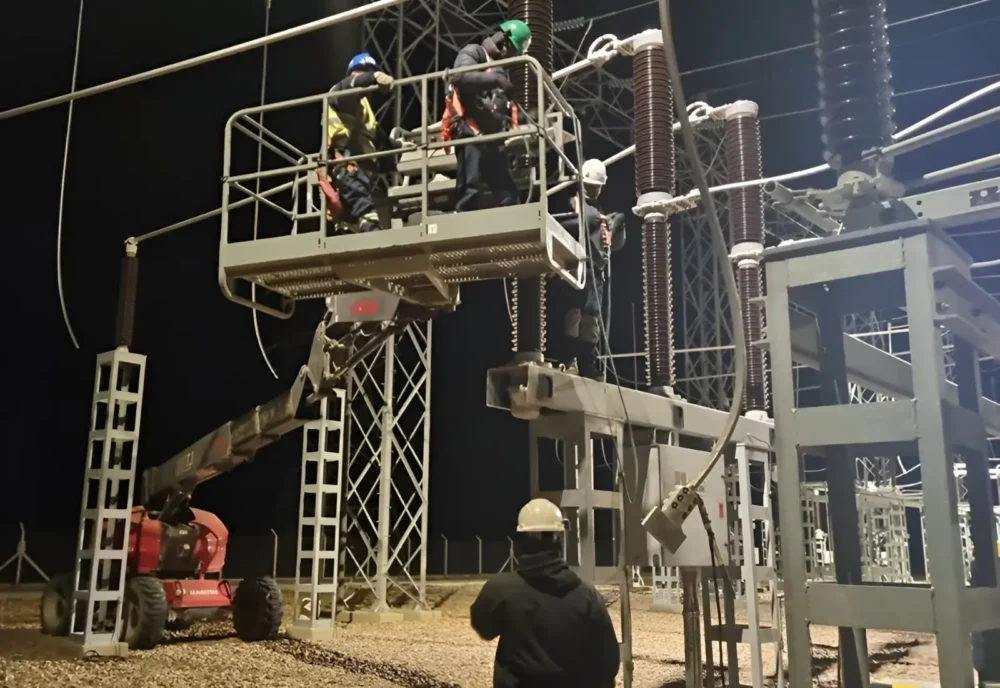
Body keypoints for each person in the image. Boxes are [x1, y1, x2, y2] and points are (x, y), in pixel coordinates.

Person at [470, 498, 621, 688]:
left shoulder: (501, 589)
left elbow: (483, 627)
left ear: (522, 538)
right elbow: (608, 662)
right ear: (559, 537)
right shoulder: (587, 596)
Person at [444, 20, 531, 212]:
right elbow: (460, 77)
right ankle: (465, 230)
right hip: (470, 132)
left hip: (492, 138)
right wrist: (496, 80)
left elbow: (502, 110)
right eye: (514, 51)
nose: (514, 58)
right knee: (469, 187)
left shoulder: (501, 72)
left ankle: (513, 225)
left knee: (508, 194)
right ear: (504, 42)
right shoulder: (474, 52)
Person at [557, 159, 626, 380]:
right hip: (577, 268)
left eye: (598, 186)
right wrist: (602, 222)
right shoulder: (575, 205)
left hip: (596, 272)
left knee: (591, 320)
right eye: (594, 186)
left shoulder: (599, 210)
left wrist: (613, 226)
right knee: (574, 317)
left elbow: (617, 229)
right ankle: (569, 362)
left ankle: (587, 365)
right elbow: (576, 224)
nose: (596, 190)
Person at [325, 52, 397, 232]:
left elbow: (376, 137)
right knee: (366, 215)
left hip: (360, 170)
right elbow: (351, 85)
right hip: (349, 166)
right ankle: (376, 244)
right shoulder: (342, 92)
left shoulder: (363, 105)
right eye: (366, 73)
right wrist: (374, 77)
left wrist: (401, 147)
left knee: (352, 219)